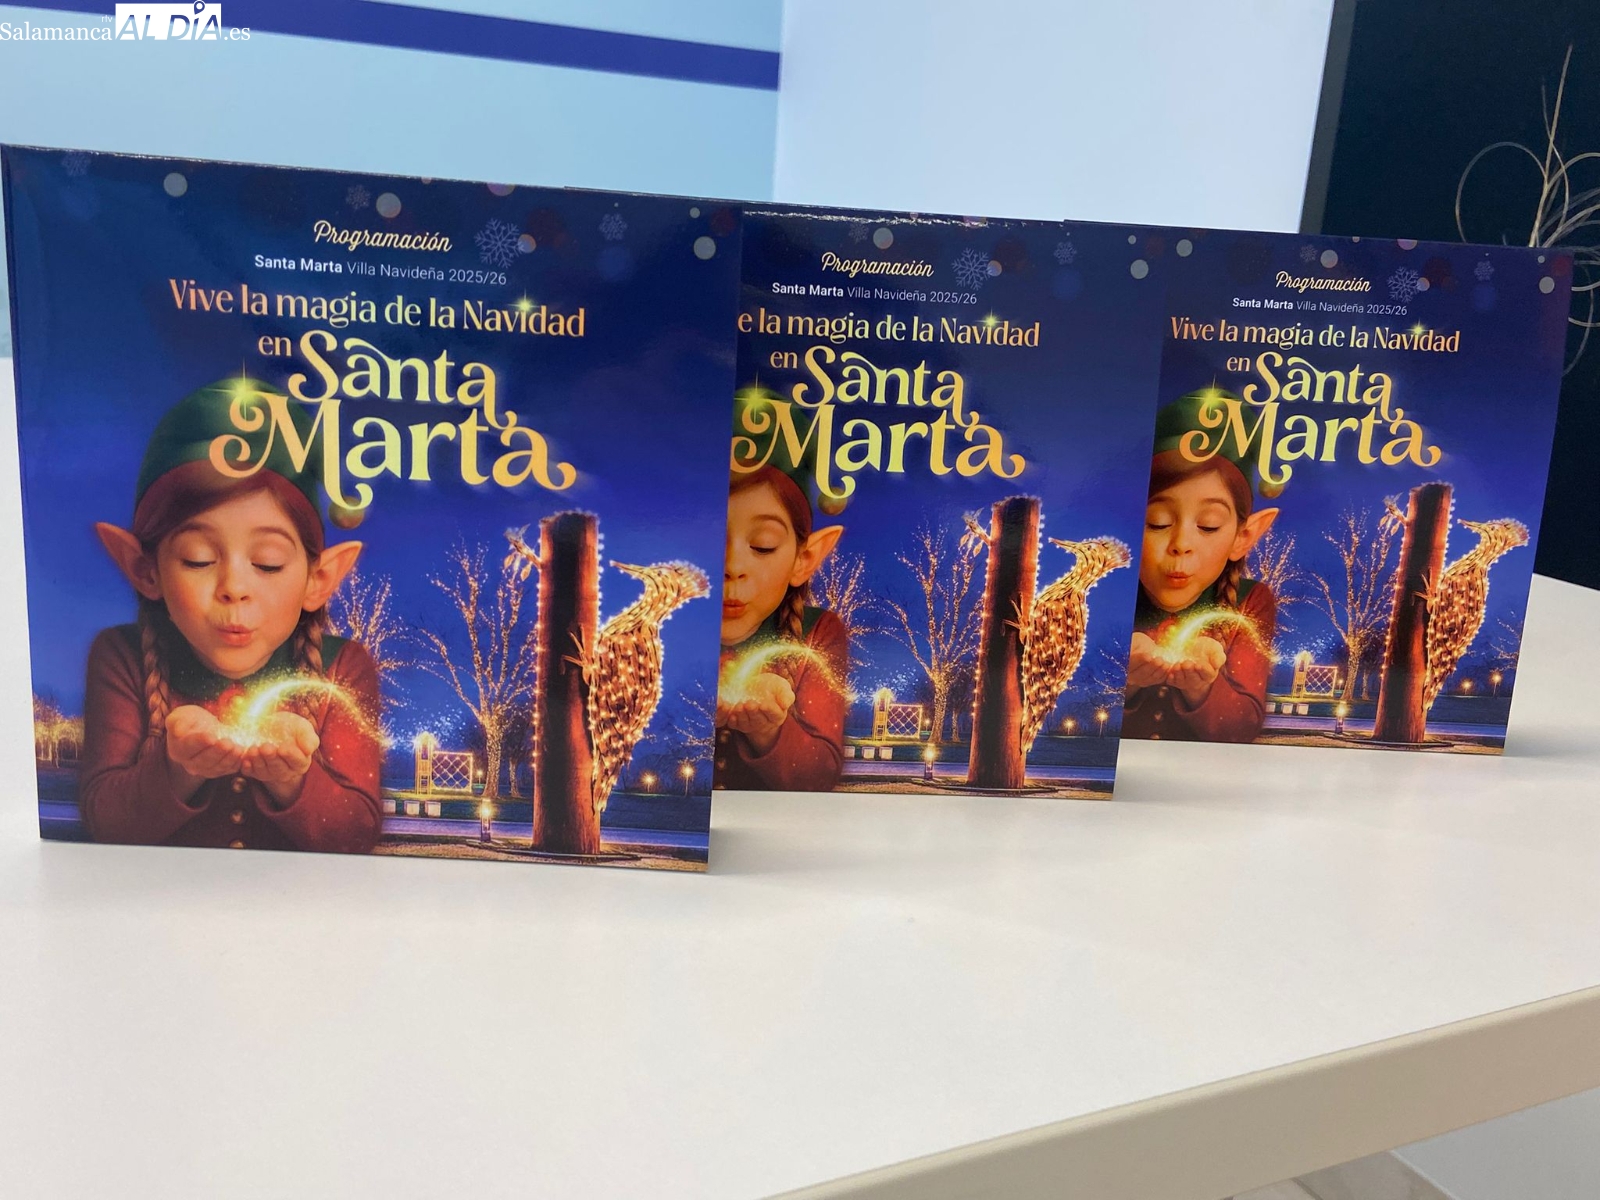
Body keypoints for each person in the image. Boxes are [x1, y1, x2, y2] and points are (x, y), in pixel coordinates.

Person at [81, 377, 382, 852]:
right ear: (144, 570)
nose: (234, 589)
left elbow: (358, 833)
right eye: (198, 559)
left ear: (319, 578)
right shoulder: (121, 657)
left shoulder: (343, 666)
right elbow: (104, 824)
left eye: (268, 563)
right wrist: (177, 768)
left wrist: (292, 780)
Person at [1124, 390, 1279, 743]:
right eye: (1158, 522)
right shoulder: (1110, 593)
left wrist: (1202, 688)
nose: (1181, 544)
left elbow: (1243, 727)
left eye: (1208, 525)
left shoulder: (1251, 601)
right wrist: (1124, 679)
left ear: (1245, 536)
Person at [715, 464, 848, 791]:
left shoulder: (817, 632)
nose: (731, 566)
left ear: (805, 559)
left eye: (763, 545)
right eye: (711, 540)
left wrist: (768, 729)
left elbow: (819, 774)